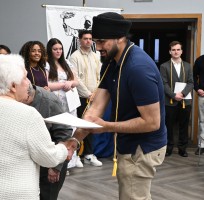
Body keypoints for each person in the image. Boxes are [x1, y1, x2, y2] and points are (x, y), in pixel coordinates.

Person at [0, 54, 76, 200]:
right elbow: (48, 158)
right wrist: (65, 148)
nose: (28, 82)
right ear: (13, 85)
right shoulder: (28, 114)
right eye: (25, 78)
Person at [73, 12, 167, 200]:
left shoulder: (138, 68)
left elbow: (152, 122)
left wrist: (107, 127)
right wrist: (74, 141)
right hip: (129, 143)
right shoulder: (110, 62)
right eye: (95, 42)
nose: (97, 47)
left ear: (120, 38)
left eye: (101, 42)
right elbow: (95, 109)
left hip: (143, 147)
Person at [23, 83, 73, 200]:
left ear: (27, 96)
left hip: (51, 160)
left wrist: (56, 167)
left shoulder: (50, 101)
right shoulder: (18, 101)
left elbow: (64, 135)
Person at [69, 29, 102, 167]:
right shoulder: (74, 57)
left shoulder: (96, 55)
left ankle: (89, 154)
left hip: (95, 96)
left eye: (90, 39)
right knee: (81, 125)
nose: (88, 41)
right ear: (80, 40)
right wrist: (88, 93)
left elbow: (99, 75)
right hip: (82, 97)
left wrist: (97, 93)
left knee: (92, 125)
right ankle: (77, 156)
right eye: (85, 39)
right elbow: (76, 79)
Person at [160, 41, 193, 157]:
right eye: (173, 50)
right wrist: (174, 95)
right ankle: (168, 147)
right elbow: (163, 84)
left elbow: (191, 83)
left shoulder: (188, 66)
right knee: (169, 125)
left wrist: (182, 94)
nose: (176, 52)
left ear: (182, 51)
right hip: (170, 101)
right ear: (170, 52)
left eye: (178, 49)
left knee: (183, 126)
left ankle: (182, 148)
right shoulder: (164, 66)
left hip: (185, 101)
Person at [46, 38, 79, 115]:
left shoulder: (67, 62)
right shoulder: (46, 64)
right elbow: (46, 84)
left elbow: (77, 82)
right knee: (59, 124)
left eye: (60, 49)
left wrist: (70, 83)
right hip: (55, 100)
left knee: (72, 124)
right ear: (50, 50)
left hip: (71, 100)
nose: (58, 51)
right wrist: (63, 85)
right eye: (55, 49)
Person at [193, 54, 204, 155]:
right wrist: (197, 89)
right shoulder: (200, 60)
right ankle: (202, 146)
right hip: (202, 95)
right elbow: (193, 76)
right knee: (202, 121)